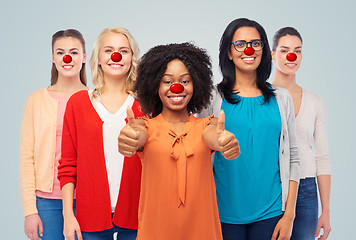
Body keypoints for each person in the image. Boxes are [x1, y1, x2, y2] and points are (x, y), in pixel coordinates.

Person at [118, 42, 240, 240]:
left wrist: (223, 141)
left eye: (185, 81)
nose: (176, 88)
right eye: (167, 82)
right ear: (155, 85)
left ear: (196, 84)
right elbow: (138, 135)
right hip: (157, 231)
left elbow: (213, 137)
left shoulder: (207, 124)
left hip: (201, 230)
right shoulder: (145, 126)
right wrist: (130, 137)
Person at [198, 18, 300, 240]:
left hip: (272, 213)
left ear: (264, 49)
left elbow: (293, 157)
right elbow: (199, 153)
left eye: (256, 43)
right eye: (240, 44)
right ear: (229, 52)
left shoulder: (281, 98)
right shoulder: (211, 98)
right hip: (222, 214)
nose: (249, 49)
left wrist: (289, 215)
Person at [58, 26, 143, 240]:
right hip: (90, 219)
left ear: (132, 58)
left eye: (124, 50)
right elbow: (68, 165)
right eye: (109, 50)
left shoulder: (146, 104)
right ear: (98, 58)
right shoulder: (77, 103)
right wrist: (68, 215)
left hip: (138, 218)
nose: (116, 56)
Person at [20, 29, 88, 240]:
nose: (67, 58)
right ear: (53, 57)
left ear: (84, 57)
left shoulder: (95, 99)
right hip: (46, 201)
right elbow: (27, 158)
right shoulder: (36, 100)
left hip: (86, 199)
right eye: (60, 52)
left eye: (74, 52)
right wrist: (30, 211)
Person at [271, 27, 331, 240]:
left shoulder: (316, 102)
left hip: (306, 189)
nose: (291, 56)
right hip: (271, 186)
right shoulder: (263, 97)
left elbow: (321, 158)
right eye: (285, 50)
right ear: (272, 54)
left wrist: (326, 211)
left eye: (298, 50)